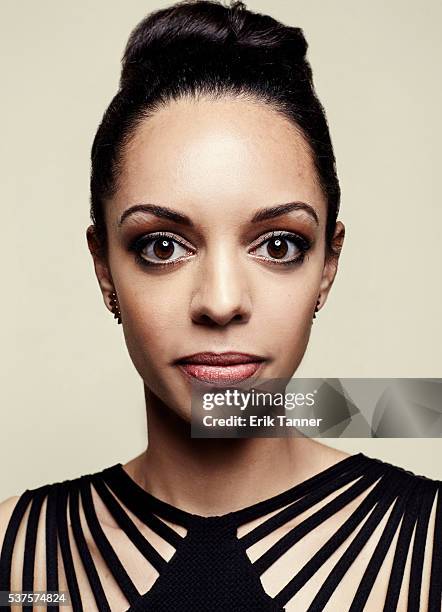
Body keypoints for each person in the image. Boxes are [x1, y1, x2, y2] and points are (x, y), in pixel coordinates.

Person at [0, 1, 441, 610]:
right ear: (105, 267)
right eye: (162, 245)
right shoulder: (15, 560)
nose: (222, 301)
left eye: (279, 244)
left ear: (326, 267)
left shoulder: (432, 541)